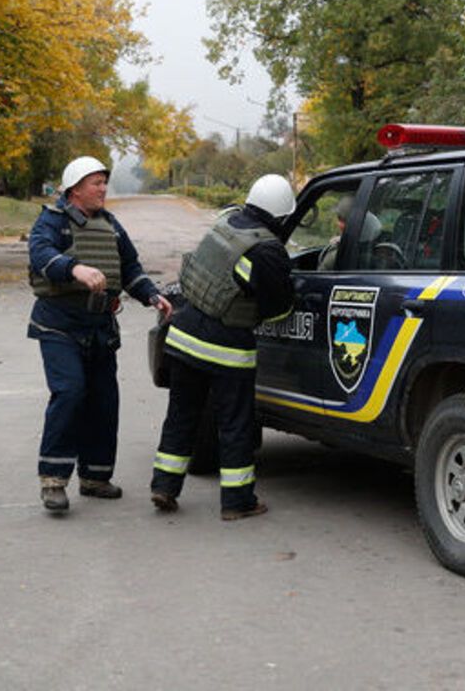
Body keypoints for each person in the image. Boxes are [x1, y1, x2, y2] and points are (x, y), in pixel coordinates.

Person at [28, 155, 173, 512]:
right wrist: (74, 268)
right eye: (97, 183)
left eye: (105, 182)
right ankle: (53, 480)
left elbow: (130, 267)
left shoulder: (110, 224)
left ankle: (95, 477)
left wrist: (151, 295)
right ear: (75, 189)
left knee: (104, 401)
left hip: (100, 327)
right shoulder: (52, 220)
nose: (104, 189)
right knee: (70, 392)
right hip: (59, 324)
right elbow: (40, 254)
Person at [150, 174, 295, 519]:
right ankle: (237, 502)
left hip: (183, 336)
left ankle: (164, 487)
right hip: (227, 349)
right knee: (234, 424)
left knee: (181, 416)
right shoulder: (268, 250)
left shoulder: (224, 224)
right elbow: (280, 308)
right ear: (281, 214)